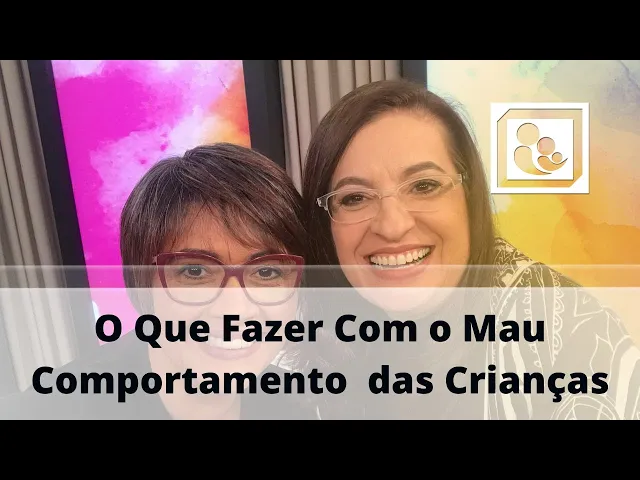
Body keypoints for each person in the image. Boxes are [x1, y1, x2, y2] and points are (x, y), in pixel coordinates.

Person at [300, 79, 640, 419]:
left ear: (470, 196)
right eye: (354, 198)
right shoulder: (325, 339)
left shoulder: (566, 335)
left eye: (424, 186)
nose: (392, 225)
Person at [0, 143, 314, 420]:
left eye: (267, 272)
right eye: (195, 272)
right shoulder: (49, 411)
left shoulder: (293, 405)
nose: (235, 311)